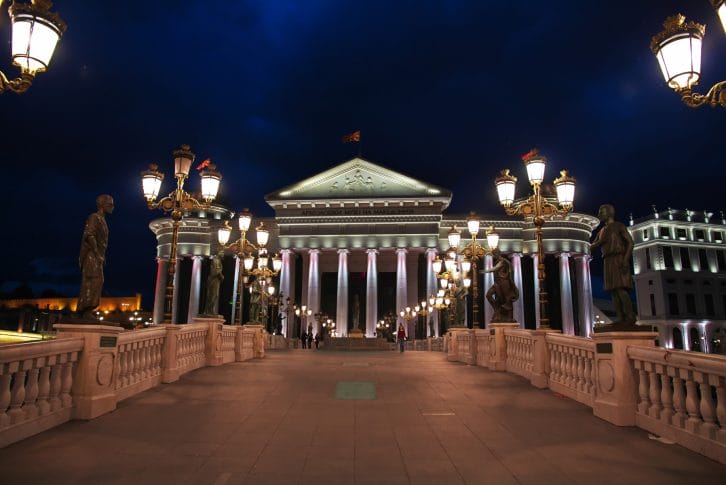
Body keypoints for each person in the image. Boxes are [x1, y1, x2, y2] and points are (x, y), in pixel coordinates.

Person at [591, 204, 637, 329]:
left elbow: (630, 243)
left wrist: (625, 260)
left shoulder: (618, 226)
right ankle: (621, 318)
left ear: (610, 213)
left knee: (621, 288)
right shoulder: (602, 231)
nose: (599, 214)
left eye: (602, 212)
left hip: (618, 258)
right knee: (612, 290)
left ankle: (630, 317)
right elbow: (594, 244)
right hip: (607, 260)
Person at [78, 194, 114, 317]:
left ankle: (87, 310)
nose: (112, 207)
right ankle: (85, 309)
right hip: (92, 255)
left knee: (96, 281)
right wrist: (98, 254)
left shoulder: (102, 220)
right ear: (102, 205)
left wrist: (101, 255)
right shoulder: (94, 217)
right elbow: (89, 235)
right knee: (93, 280)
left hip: (97, 255)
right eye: (110, 204)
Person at [484, 249, 520, 323]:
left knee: (507, 299)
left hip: (504, 282)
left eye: (495, 254)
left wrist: (484, 271)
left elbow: (495, 269)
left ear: (498, 253)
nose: (494, 255)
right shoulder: (498, 261)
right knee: (488, 295)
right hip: (497, 282)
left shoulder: (502, 261)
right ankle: (497, 309)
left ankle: (509, 317)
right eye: (493, 254)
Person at [203, 249, 224, 315]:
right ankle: (209, 311)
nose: (223, 254)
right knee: (213, 295)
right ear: (218, 253)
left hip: (216, 280)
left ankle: (209, 310)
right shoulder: (216, 260)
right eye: (222, 252)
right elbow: (216, 271)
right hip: (213, 279)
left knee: (214, 295)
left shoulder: (218, 260)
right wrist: (222, 276)